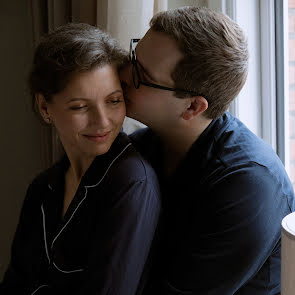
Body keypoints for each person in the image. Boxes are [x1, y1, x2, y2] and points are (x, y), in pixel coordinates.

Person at [119, 6, 295, 295]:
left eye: (141, 73)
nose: (122, 74)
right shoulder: (142, 147)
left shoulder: (248, 185)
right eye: (132, 58)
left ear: (192, 107)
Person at [0, 23, 161, 295]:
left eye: (113, 101)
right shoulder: (41, 189)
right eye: (79, 106)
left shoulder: (132, 182)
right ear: (44, 107)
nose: (102, 121)